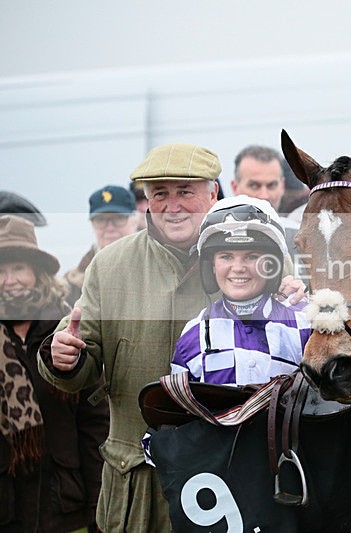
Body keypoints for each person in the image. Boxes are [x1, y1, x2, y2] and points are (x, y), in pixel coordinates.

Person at [36, 142, 223, 532]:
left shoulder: (251, 255)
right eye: (160, 194)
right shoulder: (110, 264)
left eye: (185, 192)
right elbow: (79, 356)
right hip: (137, 482)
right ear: (146, 202)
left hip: (226, 472)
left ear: (213, 194)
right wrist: (64, 358)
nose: (173, 206)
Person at [0, 214, 108, 533]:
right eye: (1, 270)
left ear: (37, 272)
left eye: (18, 268)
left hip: (64, 507)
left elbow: (94, 420)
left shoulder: (66, 330)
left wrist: (98, 504)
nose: (10, 279)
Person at [171, 195, 308, 385]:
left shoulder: (306, 323)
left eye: (251, 256)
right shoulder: (194, 333)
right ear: (211, 266)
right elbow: (182, 412)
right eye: (226, 256)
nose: (238, 268)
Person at [64, 185, 137, 306]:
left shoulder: (157, 268)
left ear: (135, 220)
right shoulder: (72, 285)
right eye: (101, 220)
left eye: (118, 218)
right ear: (92, 225)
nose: (110, 228)